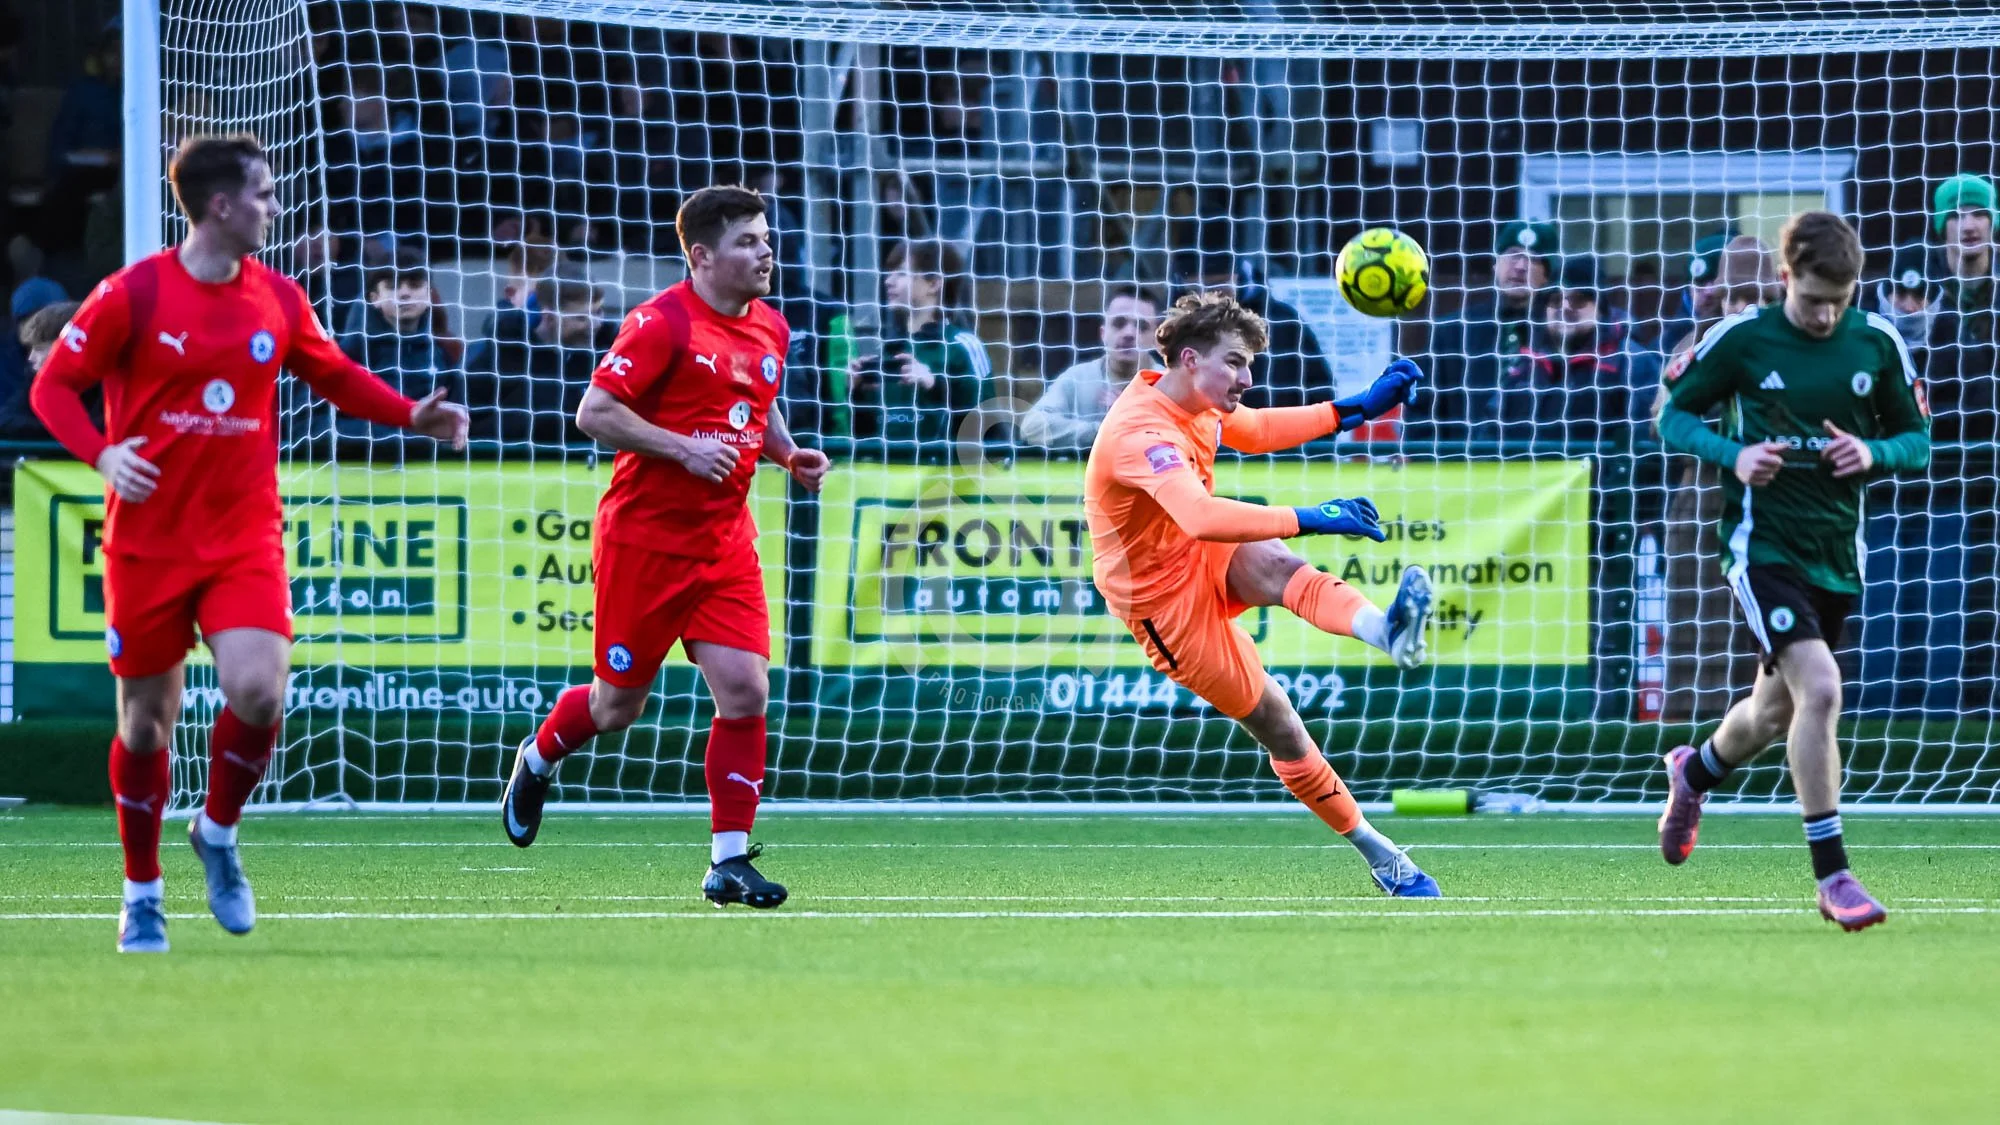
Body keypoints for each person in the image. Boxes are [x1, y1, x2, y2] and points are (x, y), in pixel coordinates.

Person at [27, 133, 468, 954]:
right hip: (149, 543)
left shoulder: (279, 296)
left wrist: (411, 413)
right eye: (263, 194)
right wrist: (103, 455)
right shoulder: (132, 293)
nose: (274, 206)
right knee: (145, 726)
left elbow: (333, 374)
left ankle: (218, 831)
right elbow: (52, 388)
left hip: (242, 537)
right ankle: (142, 892)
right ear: (221, 205)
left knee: (260, 691)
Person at [500, 184, 829, 909]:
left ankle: (728, 860)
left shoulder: (771, 327)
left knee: (746, 690)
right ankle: (540, 755)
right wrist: (682, 448)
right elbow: (595, 412)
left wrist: (787, 453)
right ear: (701, 256)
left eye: (767, 239)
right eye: (748, 242)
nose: (766, 253)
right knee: (617, 707)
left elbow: (756, 404)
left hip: (725, 541)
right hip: (644, 544)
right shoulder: (661, 324)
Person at [1083, 290, 1441, 896]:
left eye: (1248, 364)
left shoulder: (1197, 400)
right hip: (1161, 606)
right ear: (1191, 359)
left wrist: (1355, 408)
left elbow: (1255, 429)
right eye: (1235, 363)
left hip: (1190, 552)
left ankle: (1387, 632)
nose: (1247, 379)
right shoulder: (1140, 432)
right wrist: (1312, 515)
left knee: (1275, 561)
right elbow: (1200, 516)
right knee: (1281, 726)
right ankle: (1381, 854)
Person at [1654, 210, 1929, 932]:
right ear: (1785, 278)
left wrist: (1873, 454)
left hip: (1835, 555)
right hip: (1760, 547)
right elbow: (1673, 416)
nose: (1825, 315)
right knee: (1823, 688)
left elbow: (1917, 439)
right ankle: (1833, 875)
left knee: (1773, 712)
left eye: (1839, 300)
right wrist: (1733, 454)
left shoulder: (1877, 342)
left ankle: (1694, 772)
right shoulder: (1742, 339)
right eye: (1812, 299)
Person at [1489, 257, 1661, 443]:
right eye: (1555, 300)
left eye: (1578, 300)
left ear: (1600, 310)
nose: (1564, 307)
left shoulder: (1631, 362)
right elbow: (1489, 433)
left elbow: (1647, 439)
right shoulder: (1525, 363)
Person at [848, 239, 994, 457]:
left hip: (945, 476)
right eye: (889, 274)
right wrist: (856, 392)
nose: (888, 281)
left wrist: (934, 385)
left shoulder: (962, 345)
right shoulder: (890, 350)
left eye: (901, 274)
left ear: (933, 284)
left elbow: (987, 426)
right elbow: (868, 435)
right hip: (888, 475)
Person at [1416, 220, 1557, 439]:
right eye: (1513, 254)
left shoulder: (1557, 333)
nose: (1521, 266)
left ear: (1546, 276)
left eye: (1534, 259)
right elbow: (1421, 410)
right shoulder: (1453, 331)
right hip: (1463, 456)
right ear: (1495, 264)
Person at [462, 272, 610, 447]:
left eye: (598, 312)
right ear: (549, 317)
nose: (596, 324)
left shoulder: (607, 351)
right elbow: (464, 424)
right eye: (581, 318)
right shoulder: (497, 356)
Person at [1172, 251, 1334, 410]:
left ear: (1237, 277)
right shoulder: (1172, 330)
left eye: (1221, 285)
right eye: (1201, 287)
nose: (1213, 295)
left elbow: (1320, 389)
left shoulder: (1283, 322)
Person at [336, 256, 461, 452]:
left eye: (414, 285)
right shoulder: (350, 351)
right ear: (374, 298)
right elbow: (315, 423)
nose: (404, 293)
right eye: (393, 286)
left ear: (429, 295)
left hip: (427, 463)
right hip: (361, 460)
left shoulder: (443, 351)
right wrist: (404, 433)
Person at [1019, 284, 1161, 451]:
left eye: (1142, 327)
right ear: (1103, 334)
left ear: (1155, 339)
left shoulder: (1168, 382)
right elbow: (1031, 427)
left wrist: (1133, 419)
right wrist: (1102, 431)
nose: (1129, 333)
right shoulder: (1078, 378)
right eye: (1119, 323)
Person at [0, 300, 79, 439]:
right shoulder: (33, 382)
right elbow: (5, 419)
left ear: (67, 346)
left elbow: (105, 426)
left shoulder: (106, 384)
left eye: (39, 349)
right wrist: (64, 430)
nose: (31, 357)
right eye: (30, 349)